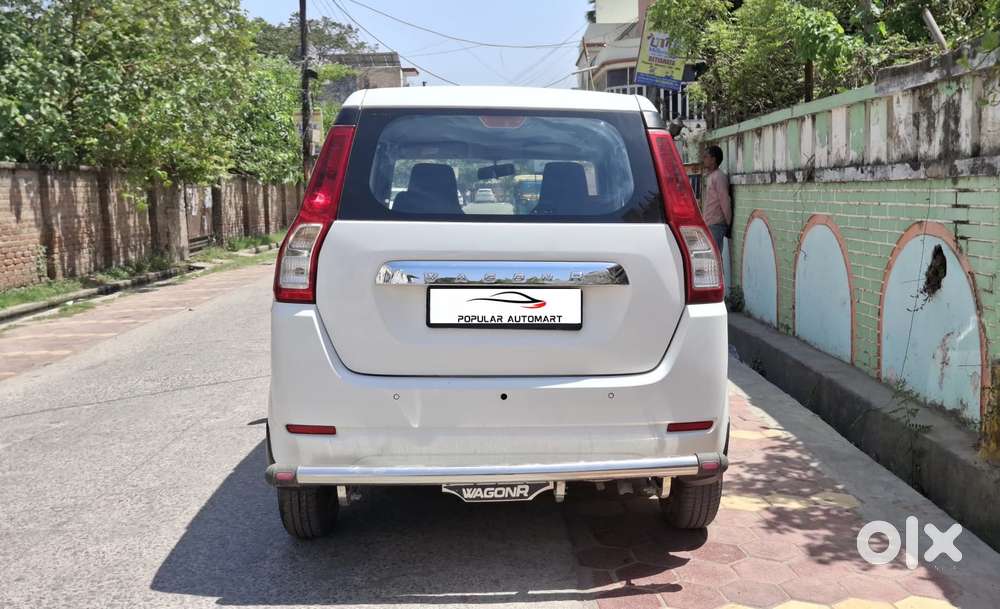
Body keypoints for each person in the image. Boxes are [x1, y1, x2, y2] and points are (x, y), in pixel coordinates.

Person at [701, 145, 731, 251]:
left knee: (715, 257)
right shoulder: (710, 176)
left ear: (713, 159)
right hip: (709, 224)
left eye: (706, 156)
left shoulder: (719, 177)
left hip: (716, 225)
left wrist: (728, 223)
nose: (703, 159)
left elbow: (725, 200)